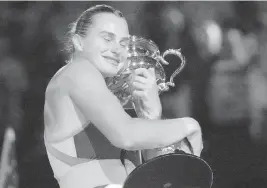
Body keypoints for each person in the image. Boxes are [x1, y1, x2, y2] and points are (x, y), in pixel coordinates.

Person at [43, 4, 203, 188]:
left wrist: (151, 116)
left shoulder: (104, 94)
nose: (117, 50)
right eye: (106, 39)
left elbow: (153, 176)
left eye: (123, 43)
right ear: (79, 42)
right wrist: (189, 125)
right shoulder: (77, 72)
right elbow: (126, 135)